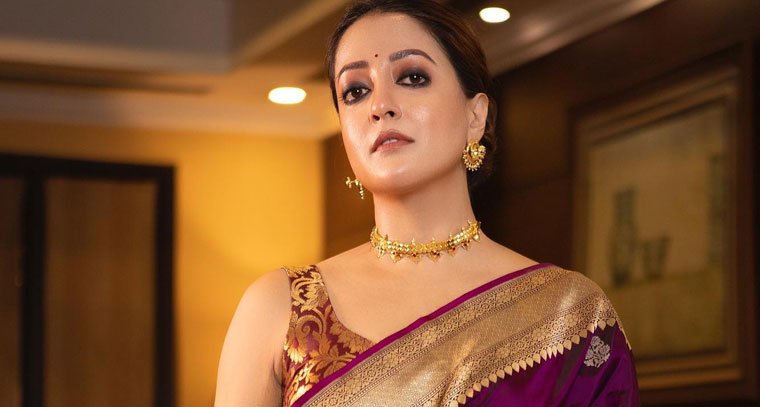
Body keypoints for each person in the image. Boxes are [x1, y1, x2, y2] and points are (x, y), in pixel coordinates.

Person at [214, 0, 640, 406]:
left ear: (475, 116)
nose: (380, 106)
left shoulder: (570, 316)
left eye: (412, 77)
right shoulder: (280, 309)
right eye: (356, 91)